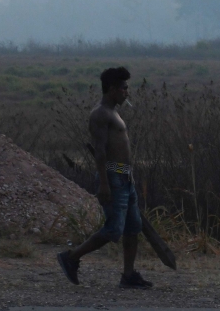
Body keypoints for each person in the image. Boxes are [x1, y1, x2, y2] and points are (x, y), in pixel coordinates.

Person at [58, 67, 152, 290]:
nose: (127, 93)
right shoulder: (100, 114)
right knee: (113, 229)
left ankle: (128, 275)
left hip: (125, 177)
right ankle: (71, 257)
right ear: (112, 90)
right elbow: (100, 151)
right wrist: (104, 183)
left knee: (133, 228)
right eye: (124, 89)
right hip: (112, 177)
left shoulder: (114, 112)